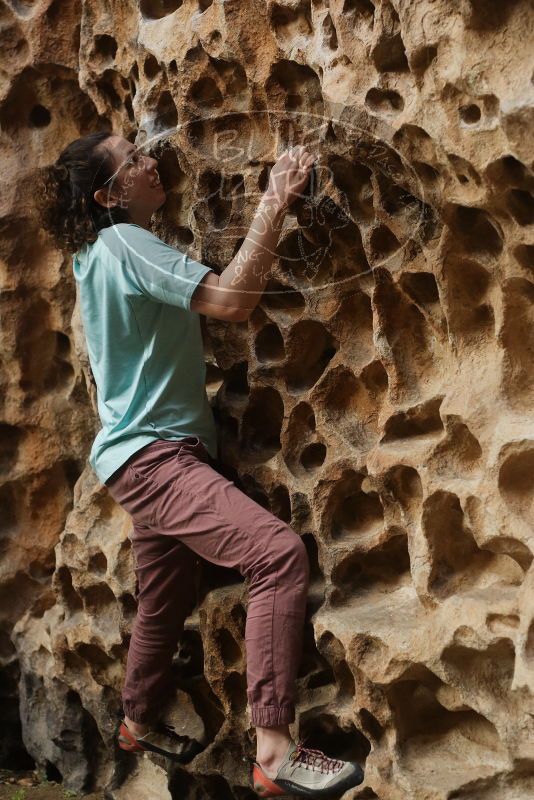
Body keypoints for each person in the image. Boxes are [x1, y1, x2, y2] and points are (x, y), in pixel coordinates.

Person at [39, 130, 364, 798]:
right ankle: (274, 749)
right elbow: (232, 302)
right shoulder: (126, 243)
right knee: (275, 555)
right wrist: (274, 199)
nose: (150, 160)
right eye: (133, 160)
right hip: (157, 458)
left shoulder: (90, 254)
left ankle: (135, 720)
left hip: (138, 455)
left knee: (165, 600)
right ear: (107, 195)